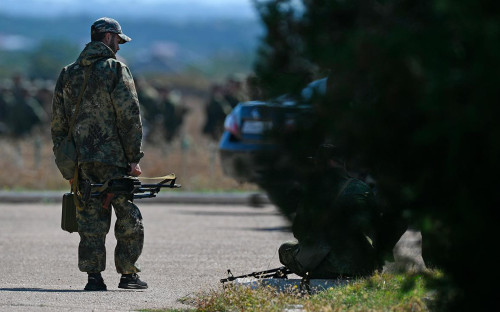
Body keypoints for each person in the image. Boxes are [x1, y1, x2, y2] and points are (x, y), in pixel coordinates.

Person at [51, 17, 147, 291]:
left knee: (89, 219)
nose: (119, 47)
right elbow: (129, 116)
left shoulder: (68, 72)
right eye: (118, 40)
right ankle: (128, 275)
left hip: (81, 162)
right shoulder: (116, 70)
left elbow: (58, 123)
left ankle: (93, 278)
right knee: (128, 217)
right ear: (107, 38)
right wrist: (133, 158)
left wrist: (65, 160)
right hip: (114, 159)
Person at [278, 144, 406, 278]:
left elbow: (299, 231)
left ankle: (321, 271)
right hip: (361, 265)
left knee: (285, 249)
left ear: (328, 162)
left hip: (323, 264)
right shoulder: (361, 188)